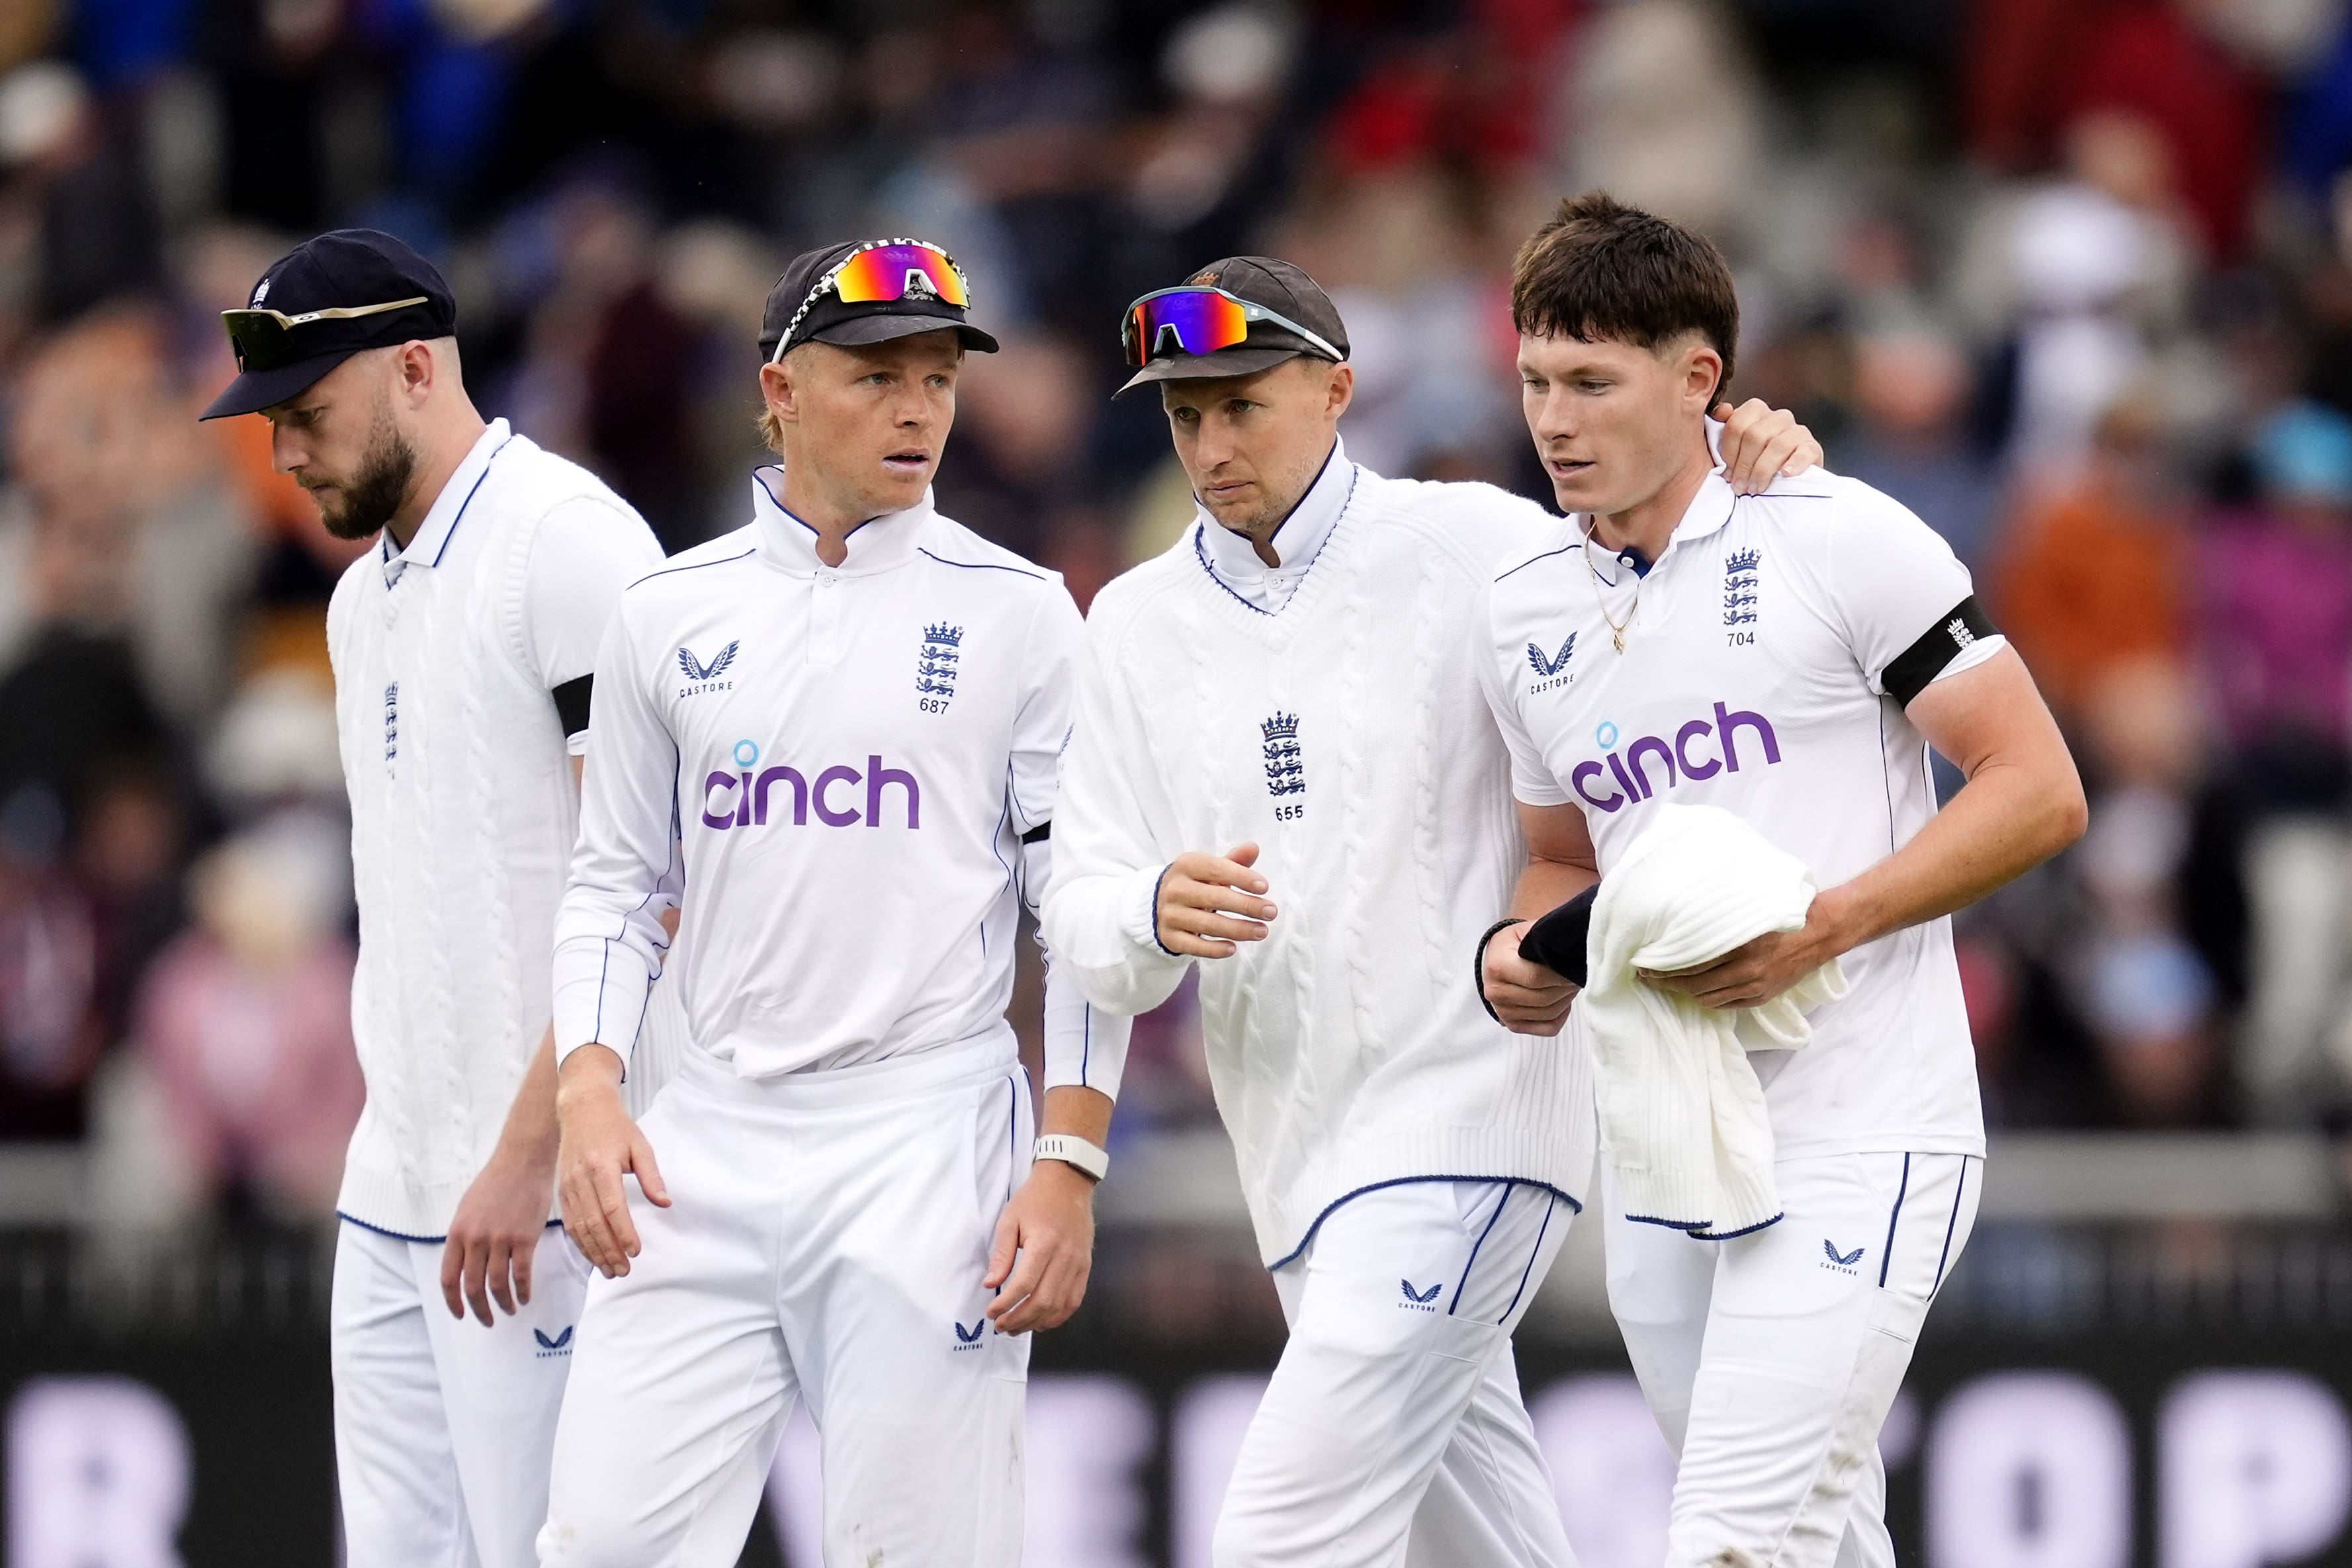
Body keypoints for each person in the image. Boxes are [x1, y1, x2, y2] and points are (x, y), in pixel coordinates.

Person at [1041, 255, 1820, 1566]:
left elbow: (1676, 592)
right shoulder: (1130, 622)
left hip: (1478, 1113)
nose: (1209, 443)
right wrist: (1146, 907)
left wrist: (1769, 486)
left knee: (1276, 1538)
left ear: (1335, 389)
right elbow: (1078, 913)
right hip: (1294, 1163)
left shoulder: (1479, 543)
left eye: (1242, 404)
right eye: (1183, 414)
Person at [1477, 192, 2085, 1568]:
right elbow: (1560, 856)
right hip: (1664, 1135)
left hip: (1860, 1126)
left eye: (1590, 381)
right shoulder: (1519, 610)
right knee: (1813, 1533)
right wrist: (1520, 954)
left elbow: (2035, 787)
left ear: (1698, 379)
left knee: (1724, 1544)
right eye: (1532, 382)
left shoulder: (1831, 536)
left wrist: (1824, 928)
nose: (1553, 420)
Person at [538, 238, 1131, 1567]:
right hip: (706, 1135)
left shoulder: (1021, 612)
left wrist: (1067, 1161)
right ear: (780, 390)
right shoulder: (663, 613)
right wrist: (589, 1090)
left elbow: (1076, 912)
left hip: (927, 1140)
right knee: (596, 1546)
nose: (918, 405)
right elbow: (614, 884)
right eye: (875, 375)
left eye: (937, 375)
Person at [196, 230, 666, 1568]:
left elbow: (647, 884)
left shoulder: (570, 544)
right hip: (393, 1187)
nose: (285, 455)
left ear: (414, 365)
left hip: (549, 1198)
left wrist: (529, 1152)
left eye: (307, 416)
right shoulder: (357, 604)